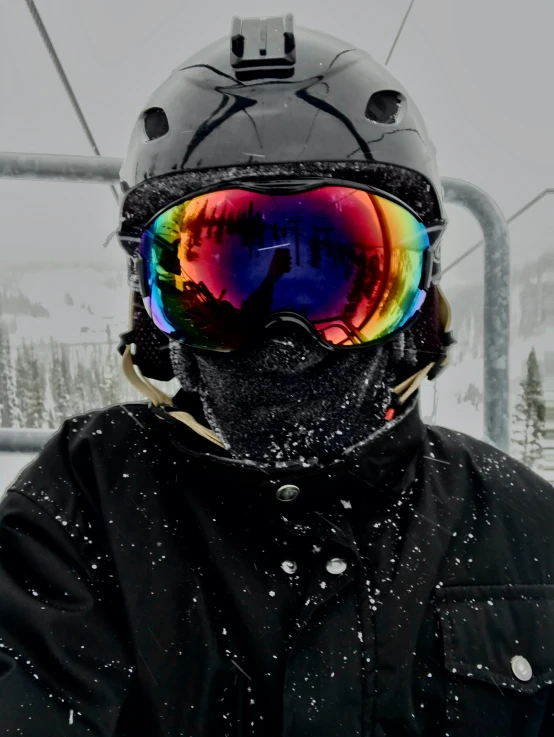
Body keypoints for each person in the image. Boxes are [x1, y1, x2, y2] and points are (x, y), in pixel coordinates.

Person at [1, 15, 553, 737]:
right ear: (154, 314)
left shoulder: (525, 532)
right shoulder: (87, 510)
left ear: (413, 298)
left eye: (341, 273)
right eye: (226, 276)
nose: (285, 338)